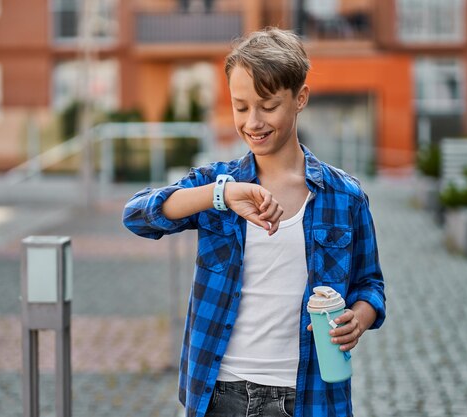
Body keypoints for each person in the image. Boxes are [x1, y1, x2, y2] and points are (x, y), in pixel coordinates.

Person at [123, 27, 385, 417]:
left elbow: (371, 285)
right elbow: (138, 215)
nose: (253, 122)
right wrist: (221, 195)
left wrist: (358, 319)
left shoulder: (344, 196)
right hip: (219, 393)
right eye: (241, 106)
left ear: (300, 99)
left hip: (308, 396)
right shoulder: (219, 186)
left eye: (268, 105)